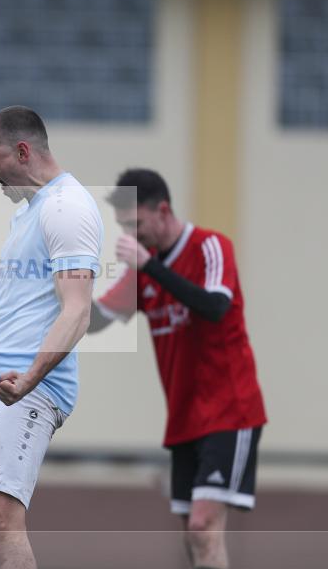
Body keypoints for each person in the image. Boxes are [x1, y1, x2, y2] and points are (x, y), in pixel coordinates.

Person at [0, 106, 102, 569]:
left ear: (23, 151)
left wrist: (29, 379)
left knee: (1, 516)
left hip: (34, 390)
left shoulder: (67, 207)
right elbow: (23, 311)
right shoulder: (29, 212)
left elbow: (78, 310)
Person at [88, 168, 267, 569]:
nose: (131, 235)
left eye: (136, 224)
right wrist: (64, 282)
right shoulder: (143, 270)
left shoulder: (209, 247)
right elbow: (95, 320)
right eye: (125, 227)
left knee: (203, 527)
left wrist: (150, 267)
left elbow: (215, 307)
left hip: (230, 410)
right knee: (194, 535)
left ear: (163, 211)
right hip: (184, 419)